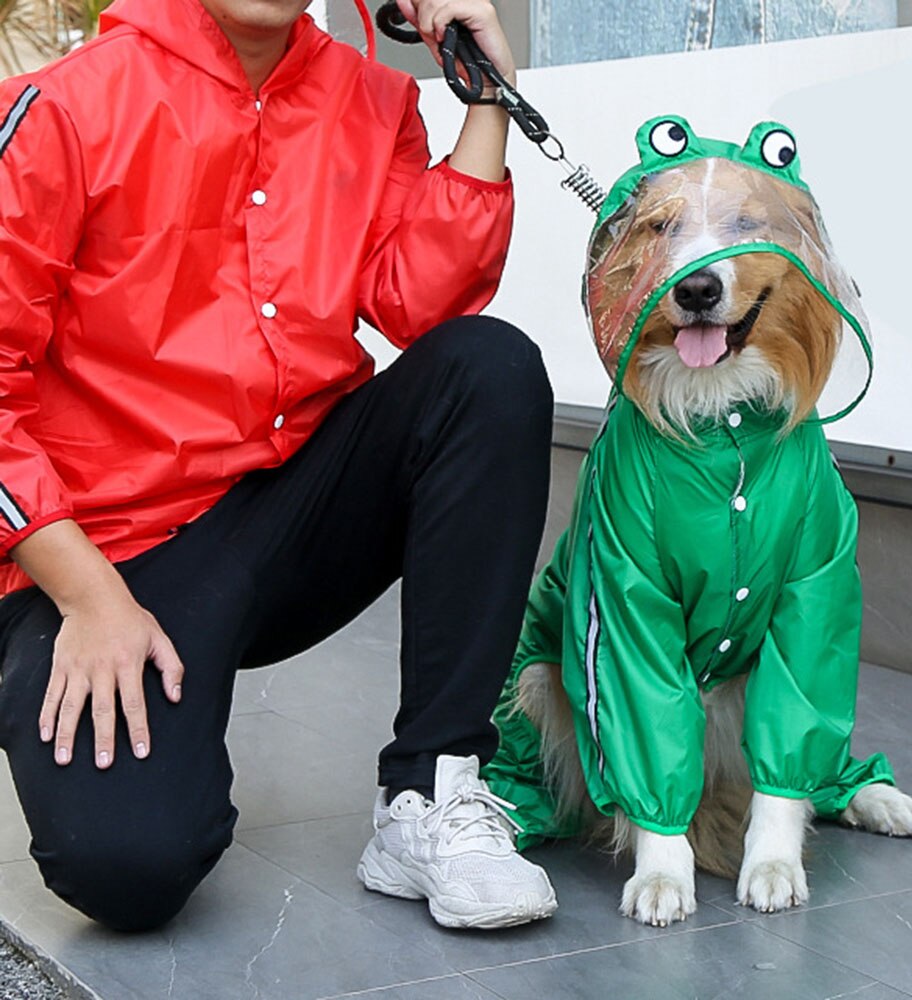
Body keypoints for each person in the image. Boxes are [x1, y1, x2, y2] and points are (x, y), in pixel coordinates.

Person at [0, 0, 557, 932]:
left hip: (291, 508)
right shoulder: (64, 107)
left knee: (488, 367)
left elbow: (428, 309)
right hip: (111, 553)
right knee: (126, 870)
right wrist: (89, 598)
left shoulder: (374, 103)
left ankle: (432, 788)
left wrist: (483, 95)